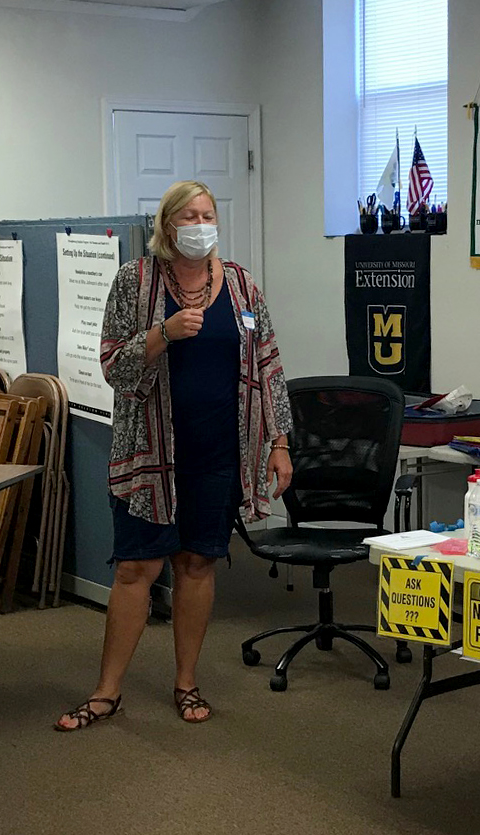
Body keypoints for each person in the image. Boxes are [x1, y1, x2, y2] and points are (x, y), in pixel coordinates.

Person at [57, 180, 295, 731]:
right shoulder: (134, 282)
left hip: (217, 451)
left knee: (197, 563)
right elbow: (113, 366)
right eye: (189, 216)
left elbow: (269, 367)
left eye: (208, 214)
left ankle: (186, 683)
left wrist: (279, 443)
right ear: (168, 227)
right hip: (148, 453)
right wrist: (161, 334)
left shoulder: (240, 286)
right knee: (137, 567)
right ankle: (106, 691)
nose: (200, 224)